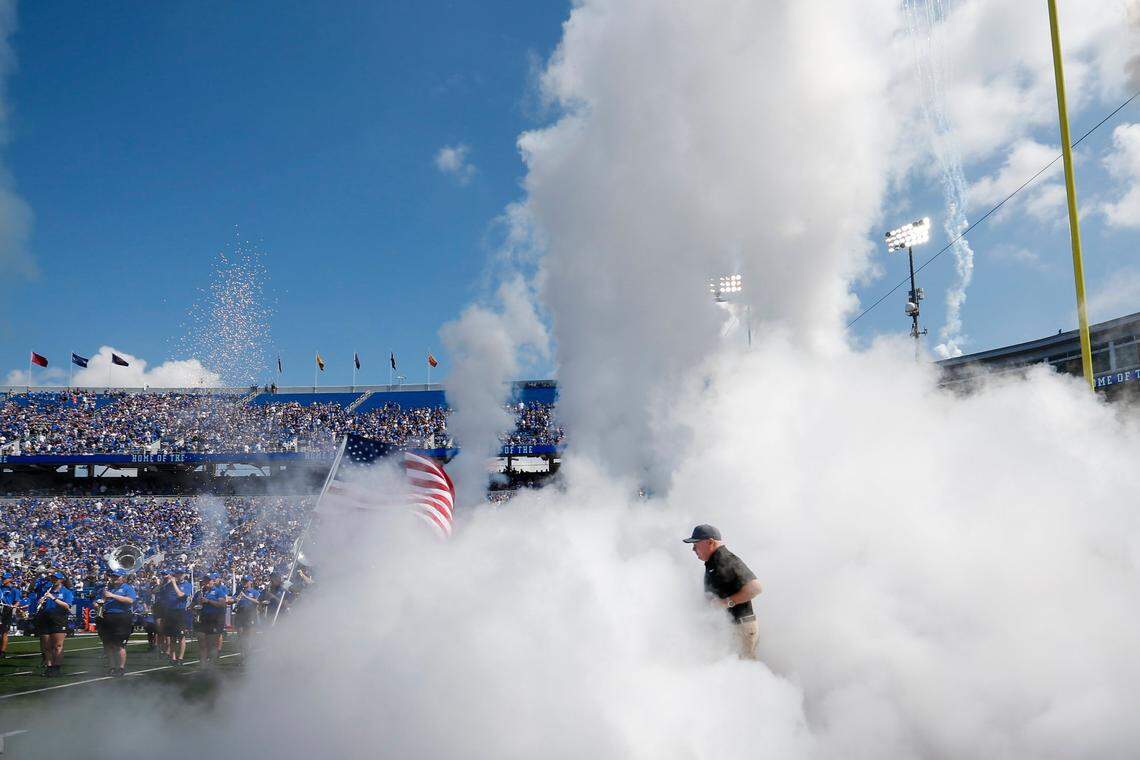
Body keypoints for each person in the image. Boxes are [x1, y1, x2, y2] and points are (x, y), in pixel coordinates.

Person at [682, 524, 763, 660]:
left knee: (744, 672)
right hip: (734, 628)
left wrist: (726, 602)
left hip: (740, 628)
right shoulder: (714, 562)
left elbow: (755, 588)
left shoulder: (725, 559)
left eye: (696, 544)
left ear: (710, 542)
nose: (693, 549)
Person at [99, 568, 137, 677]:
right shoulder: (108, 588)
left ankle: (121, 668)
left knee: (119, 645)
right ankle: (111, 667)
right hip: (108, 616)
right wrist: (101, 601)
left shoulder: (127, 588)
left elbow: (130, 600)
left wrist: (112, 596)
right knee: (108, 644)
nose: (114, 578)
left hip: (122, 617)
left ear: (123, 578)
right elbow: (102, 602)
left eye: (117, 576)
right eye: (113, 576)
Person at [35, 571, 74, 676]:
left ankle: (56, 668)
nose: (53, 580)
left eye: (56, 578)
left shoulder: (66, 592)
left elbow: (67, 606)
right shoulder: (47, 590)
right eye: (52, 578)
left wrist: (53, 598)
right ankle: (49, 667)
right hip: (45, 617)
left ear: (61, 580)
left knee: (57, 645)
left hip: (59, 618)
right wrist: (41, 601)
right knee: (46, 646)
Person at [196, 573, 230, 666]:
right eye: (205, 580)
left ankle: (211, 664)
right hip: (204, 618)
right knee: (201, 640)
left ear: (213, 581)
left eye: (208, 580)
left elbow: (222, 604)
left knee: (211, 643)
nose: (206, 582)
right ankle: (203, 664)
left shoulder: (218, 591)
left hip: (215, 618)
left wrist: (208, 601)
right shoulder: (202, 592)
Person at [232, 576, 259, 660]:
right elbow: (233, 599)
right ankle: (243, 654)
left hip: (250, 614)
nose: (244, 583)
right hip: (240, 613)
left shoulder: (254, 592)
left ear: (250, 582)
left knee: (248, 635)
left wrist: (246, 597)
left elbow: (258, 601)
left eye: (246, 581)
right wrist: (234, 599)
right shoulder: (239, 591)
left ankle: (248, 654)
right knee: (240, 634)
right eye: (243, 581)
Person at [0, 573, 18, 658]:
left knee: (4, 632)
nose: (3, 580)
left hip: (7, 611)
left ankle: (2, 651)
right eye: (3, 578)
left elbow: (17, 601)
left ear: (10, 579)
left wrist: (14, 606)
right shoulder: (1, 587)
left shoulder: (14, 590)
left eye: (5, 578)